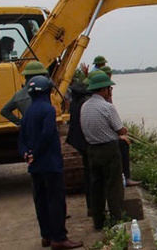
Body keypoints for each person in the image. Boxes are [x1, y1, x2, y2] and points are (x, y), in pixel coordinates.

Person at [18, 75, 83, 250]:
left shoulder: (28, 112)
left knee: (41, 200)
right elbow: (47, 134)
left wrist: (27, 154)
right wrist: (36, 153)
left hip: (35, 166)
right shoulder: (48, 110)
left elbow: (22, 138)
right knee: (56, 200)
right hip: (50, 163)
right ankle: (59, 238)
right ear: (47, 90)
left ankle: (46, 235)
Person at [80, 72, 132, 230]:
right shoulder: (107, 107)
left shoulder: (84, 106)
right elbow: (121, 130)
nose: (110, 91)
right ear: (103, 90)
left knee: (96, 187)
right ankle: (117, 222)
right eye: (109, 88)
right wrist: (123, 132)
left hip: (92, 150)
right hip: (109, 150)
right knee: (113, 187)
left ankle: (98, 222)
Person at [65, 80, 92, 216]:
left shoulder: (75, 104)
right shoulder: (83, 105)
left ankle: (91, 207)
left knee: (89, 175)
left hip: (78, 142)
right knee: (92, 176)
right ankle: (93, 207)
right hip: (85, 143)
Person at [0, 61, 49, 125]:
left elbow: (4, 111)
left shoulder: (18, 95)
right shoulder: (43, 93)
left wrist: (20, 123)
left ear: (26, 77)